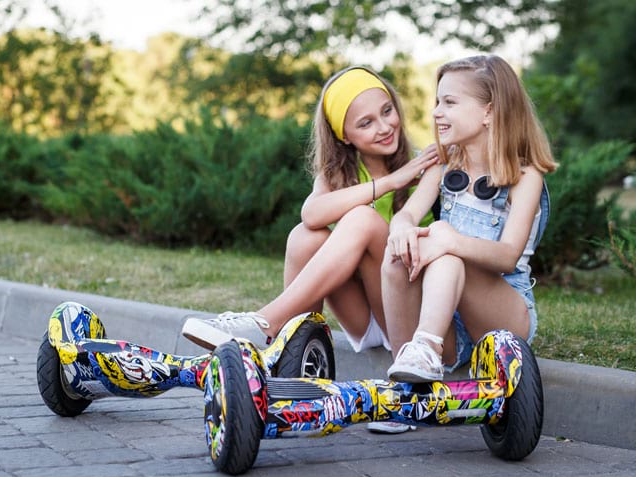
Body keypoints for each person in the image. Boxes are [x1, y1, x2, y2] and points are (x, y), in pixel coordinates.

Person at [183, 66, 438, 433]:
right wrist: (389, 182)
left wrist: (401, 178)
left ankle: (263, 325)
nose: (383, 127)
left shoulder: (424, 164)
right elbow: (311, 213)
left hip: (408, 310)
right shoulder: (338, 175)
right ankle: (293, 365)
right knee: (306, 235)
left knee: (362, 221)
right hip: (366, 311)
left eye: (386, 111)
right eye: (365, 123)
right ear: (344, 136)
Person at [381, 54, 557, 383]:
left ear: (489, 111)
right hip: (448, 318)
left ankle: (426, 348)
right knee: (395, 257)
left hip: (502, 316)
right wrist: (402, 229)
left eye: (449, 102)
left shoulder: (525, 175)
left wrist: (450, 241)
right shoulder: (445, 164)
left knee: (446, 248)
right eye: (437, 102)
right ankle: (406, 378)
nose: (436, 112)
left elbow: (508, 257)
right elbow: (406, 213)